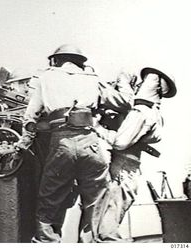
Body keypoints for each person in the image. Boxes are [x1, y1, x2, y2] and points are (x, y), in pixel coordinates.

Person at [15, 44, 133, 243]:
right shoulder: (94, 80)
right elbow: (124, 103)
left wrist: (22, 145)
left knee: (49, 201)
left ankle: (47, 242)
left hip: (61, 143)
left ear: (56, 60)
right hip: (91, 144)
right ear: (81, 62)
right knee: (97, 201)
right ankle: (97, 242)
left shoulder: (46, 78)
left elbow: (30, 119)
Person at [92, 67, 177, 242]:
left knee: (107, 229)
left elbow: (120, 143)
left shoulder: (141, 112)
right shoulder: (152, 111)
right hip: (129, 167)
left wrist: (98, 128)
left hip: (122, 168)